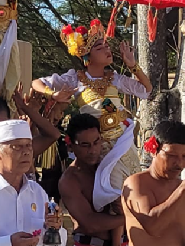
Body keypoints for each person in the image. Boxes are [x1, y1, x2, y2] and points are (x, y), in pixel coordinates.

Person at [32, 19, 151, 213]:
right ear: (86, 56)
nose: (107, 49)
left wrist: (133, 65)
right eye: (99, 47)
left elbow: (146, 91)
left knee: (135, 189)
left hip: (124, 141)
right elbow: (36, 82)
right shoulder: (75, 79)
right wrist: (52, 94)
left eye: (106, 45)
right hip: (99, 145)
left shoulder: (115, 78)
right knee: (116, 197)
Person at [59, 114, 126, 246]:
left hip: (123, 245)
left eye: (97, 142)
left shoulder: (111, 165)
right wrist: (129, 217)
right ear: (71, 147)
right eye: (85, 145)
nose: (93, 150)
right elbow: (89, 223)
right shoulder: (69, 180)